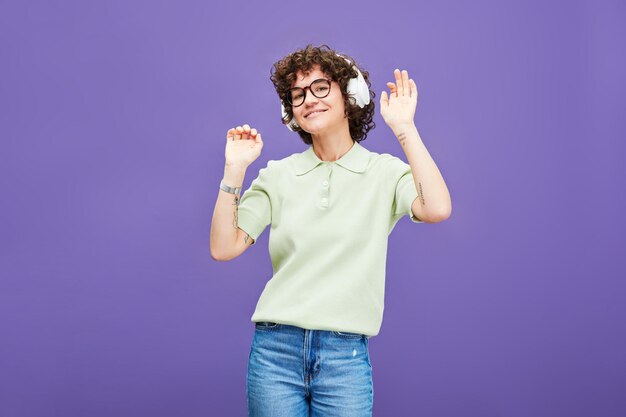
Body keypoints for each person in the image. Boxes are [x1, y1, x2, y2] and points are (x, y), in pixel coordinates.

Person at [210, 44, 451, 417]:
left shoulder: (384, 173)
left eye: (320, 87)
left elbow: (436, 208)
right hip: (275, 352)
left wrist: (404, 129)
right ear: (291, 113)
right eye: (298, 94)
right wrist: (233, 170)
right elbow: (223, 247)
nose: (309, 99)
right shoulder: (278, 174)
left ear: (348, 96)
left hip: (345, 356)